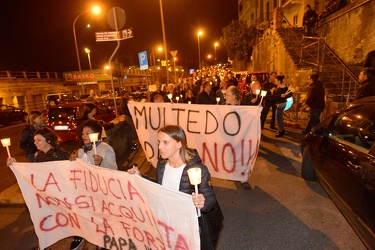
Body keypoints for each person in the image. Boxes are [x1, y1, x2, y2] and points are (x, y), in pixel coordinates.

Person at [127, 125, 219, 249]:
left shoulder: (197, 169)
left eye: (165, 142)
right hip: (165, 222)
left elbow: (210, 197)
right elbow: (159, 187)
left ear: (179, 144)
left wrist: (203, 201)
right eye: (159, 142)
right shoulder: (162, 164)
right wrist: (140, 176)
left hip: (186, 227)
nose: (160, 147)